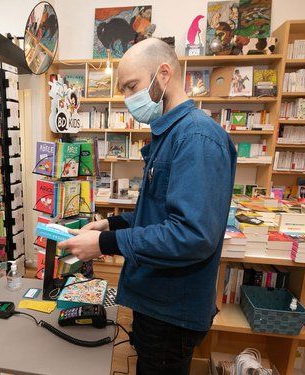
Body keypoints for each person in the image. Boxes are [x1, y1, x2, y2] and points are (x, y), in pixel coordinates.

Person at [58, 39, 236, 375]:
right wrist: (111, 226)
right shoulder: (169, 133)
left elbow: (191, 235)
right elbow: (159, 214)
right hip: (154, 298)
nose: (128, 100)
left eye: (132, 86)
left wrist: (103, 245)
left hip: (172, 307)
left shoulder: (196, 138)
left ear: (163, 74)